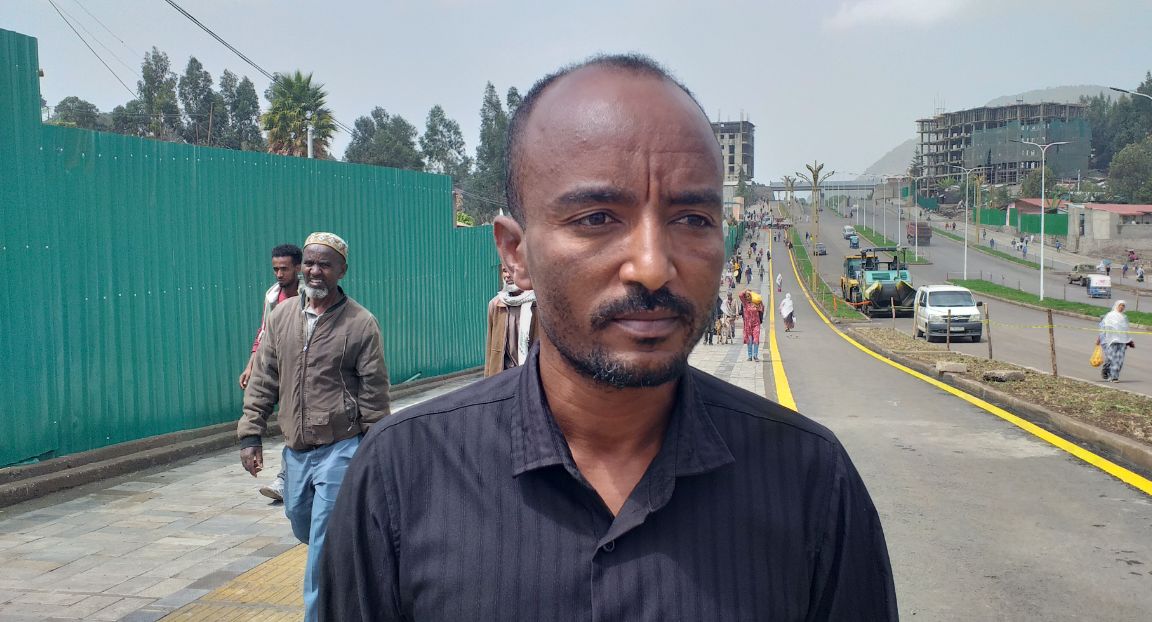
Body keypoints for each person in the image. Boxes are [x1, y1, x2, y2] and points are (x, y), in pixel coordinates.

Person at [319, 55, 895, 620]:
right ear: (515, 253)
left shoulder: (811, 483)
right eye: (597, 218)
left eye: (692, 220)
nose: (652, 267)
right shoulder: (401, 476)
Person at [239, 232, 389, 622]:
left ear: (342, 270)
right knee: (302, 522)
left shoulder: (360, 323)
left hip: (341, 446)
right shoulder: (281, 316)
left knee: (321, 543)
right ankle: (348, 575)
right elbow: (264, 378)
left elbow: (374, 392)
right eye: (309, 263)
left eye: (325, 264)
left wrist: (377, 449)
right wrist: (251, 432)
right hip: (296, 451)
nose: (315, 271)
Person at [239, 243, 301, 502]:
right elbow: (265, 332)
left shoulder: (311, 295)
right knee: (288, 419)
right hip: (279, 366)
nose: (279, 274)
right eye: (275, 269)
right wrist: (252, 363)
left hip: (302, 367)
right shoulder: (273, 296)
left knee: (296, 419)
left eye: (284, 269)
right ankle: (288, 479)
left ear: (298, 268)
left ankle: (286, 479)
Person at [485, 265, 539, 377]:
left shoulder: (539, 305)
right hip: (504, 377)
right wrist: (487, 380)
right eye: (504, 271)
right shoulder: (496, 305)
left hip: (531, 374)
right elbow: (490, 348)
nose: (507, 275)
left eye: (511, 270)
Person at [1097, 300, 1135, 382]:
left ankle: (1113, 376)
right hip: (1111, 340)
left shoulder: (1124, 317)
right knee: (1112, 358)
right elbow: (1103, 328)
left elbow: (1126, 330)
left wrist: (1129, 341)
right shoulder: (1110, 315)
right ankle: (1109, 373)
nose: (1121, 307)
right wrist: (1100, 339)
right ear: (1116, 306)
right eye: (1120, 305)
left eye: (1123, 306)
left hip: (1122, 341)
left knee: (1119, 360)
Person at [740, 289, 763, 361]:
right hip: (748, 325)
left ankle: (755, 355)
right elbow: (740, 295)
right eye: (746, 296)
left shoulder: (756, 303)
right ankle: (750, 356)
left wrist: (759, 304)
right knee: (749, 341)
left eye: (749, 296)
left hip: (756, 324)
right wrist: (746, 290)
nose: (748, 298)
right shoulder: (745, 304)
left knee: (756, 339)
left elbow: (762, 308)